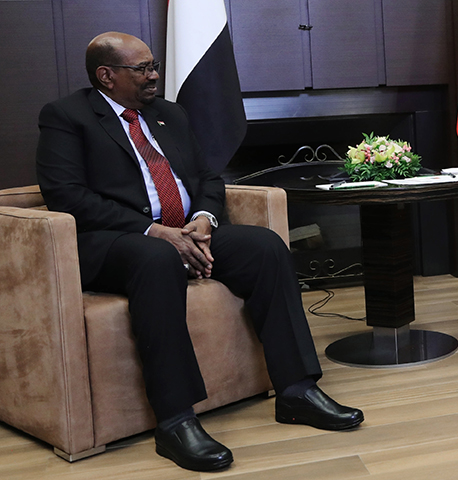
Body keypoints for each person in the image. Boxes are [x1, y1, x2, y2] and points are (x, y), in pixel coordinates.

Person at [35, 32, 364, 472]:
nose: (154, 76)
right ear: (106, 76)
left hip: (188, 231)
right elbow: (66, 195)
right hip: (116, 242)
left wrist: (205, 219)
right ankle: (175, 421)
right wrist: (153, 231)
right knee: (156, 258)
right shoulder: (66, 116)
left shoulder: (169, 114)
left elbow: (208, 177)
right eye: (143, 69)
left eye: (154, 66)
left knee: (265, 247)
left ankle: (297, 390)